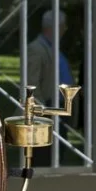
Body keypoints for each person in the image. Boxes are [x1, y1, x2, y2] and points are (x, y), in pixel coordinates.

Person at [27, 10, 74, 166]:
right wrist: (42, 112)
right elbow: (31, 83)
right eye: (63, 27)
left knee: (58, 153)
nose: (65, 30)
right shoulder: (36, 49)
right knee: (46, 157)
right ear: (54, 27)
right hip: (47, 109)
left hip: (59, 107)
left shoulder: (52, 47)